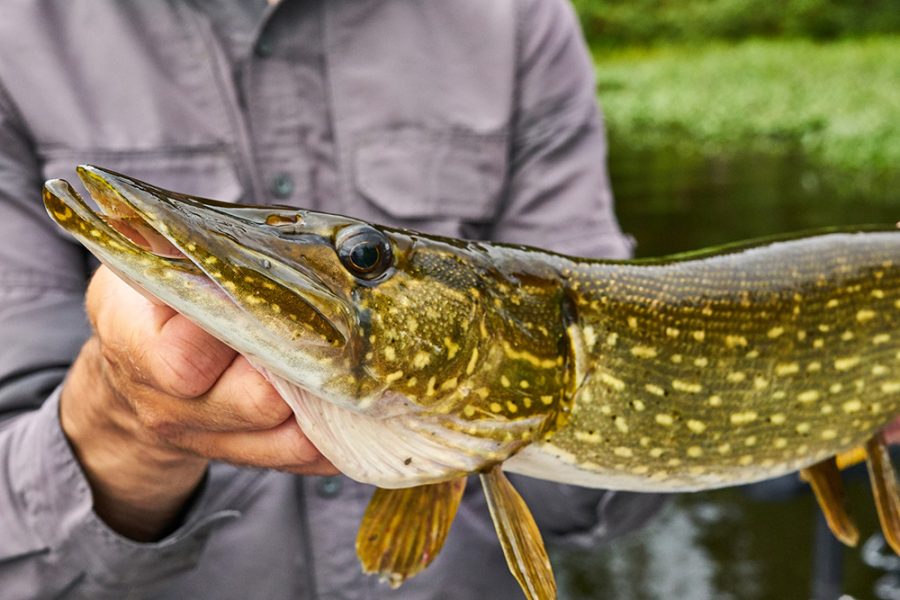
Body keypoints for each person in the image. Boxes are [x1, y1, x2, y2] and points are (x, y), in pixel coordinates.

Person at [0, 1, 666, 598]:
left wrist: (481, 428)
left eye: (366, 261)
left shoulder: (516, 17)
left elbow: (604, 507)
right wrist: (119, 425)